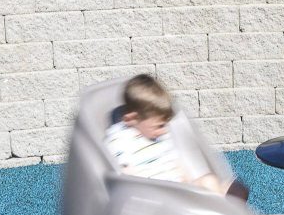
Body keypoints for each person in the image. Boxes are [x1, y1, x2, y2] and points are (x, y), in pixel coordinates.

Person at [104, 74, 248, 201]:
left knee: (234, 189)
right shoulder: (121, 138)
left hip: (178, 190)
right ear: (132, 119)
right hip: (160, 199)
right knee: (209, 183)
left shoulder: (159, 137)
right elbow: (126, 178)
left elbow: (176, 166)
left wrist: (189, 182)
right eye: (159, 126)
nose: (164, 130)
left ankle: (227, 213)